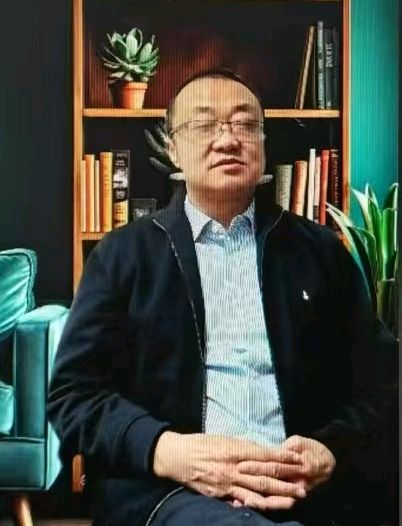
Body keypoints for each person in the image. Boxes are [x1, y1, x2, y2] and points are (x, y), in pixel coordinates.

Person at [48, 69, 397, 526]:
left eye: (245, 124)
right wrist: (167, 450)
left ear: (263, 142)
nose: (228, 139)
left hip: (303, 489)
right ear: (172, 148)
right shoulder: (123, 255)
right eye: (204, 124)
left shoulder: (321, 252)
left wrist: (332, 449)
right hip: (171, 491)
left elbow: (383, 382)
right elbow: (73, 395)